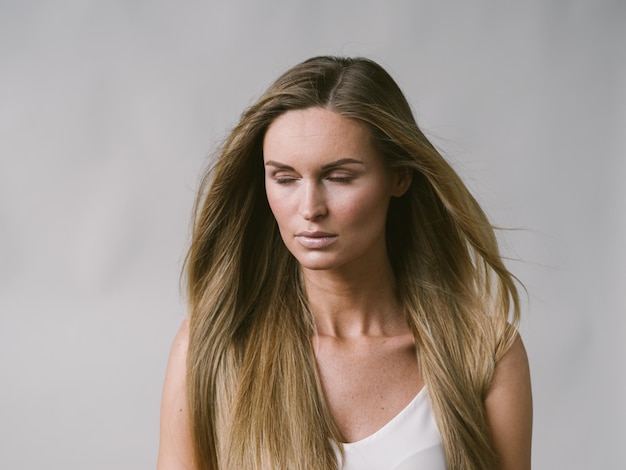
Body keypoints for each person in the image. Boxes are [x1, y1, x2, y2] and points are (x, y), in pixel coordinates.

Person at [157, 56, 532, 470]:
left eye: (339, 177)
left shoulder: (483, 353)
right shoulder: (214, 346)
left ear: (399, 177)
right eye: (285, 178)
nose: (310, 208)